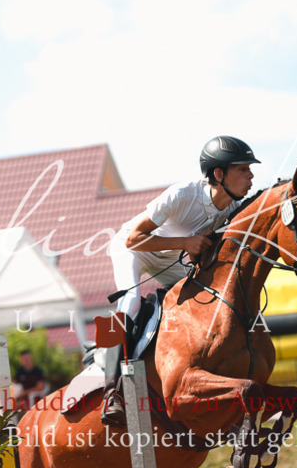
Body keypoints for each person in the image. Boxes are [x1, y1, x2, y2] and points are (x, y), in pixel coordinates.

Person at [101, 136, 260, 427]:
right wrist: (185, 241)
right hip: (134, 249)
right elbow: (134, 239)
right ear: (219, 174)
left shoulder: (228, 211)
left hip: (171, 260)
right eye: (243, 170)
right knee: (132, 302)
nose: (251, 176)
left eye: (250, 170)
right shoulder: (182, 194)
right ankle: (111, 390)